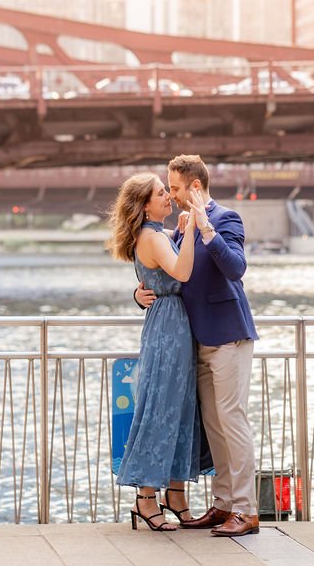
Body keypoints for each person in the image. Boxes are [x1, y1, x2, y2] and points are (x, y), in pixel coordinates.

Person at [134, 155, 260, 538]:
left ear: (193, 186)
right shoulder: (177, 230)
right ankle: (224, 504)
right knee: (214, 425)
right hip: (196, 341)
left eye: (173, 188)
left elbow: (236, 268)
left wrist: (207, 231)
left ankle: (246, 510)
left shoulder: (226, 219)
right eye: (167, 190)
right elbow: (168, 273)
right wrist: (138, 294)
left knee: (232, 419)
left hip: (229, 334)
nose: (170, 197)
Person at [107, 172, 208, 532]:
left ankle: (176, 495)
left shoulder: (157, 235)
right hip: (167, 331)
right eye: (161, 192)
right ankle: (146, 498)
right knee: (161, 410)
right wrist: (194, 228)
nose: (168, 196)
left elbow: (157, 274)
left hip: (173, 325)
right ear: (145, 203)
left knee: (182, 410)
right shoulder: (150, 236)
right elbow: (180, 271)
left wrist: (183, 231)